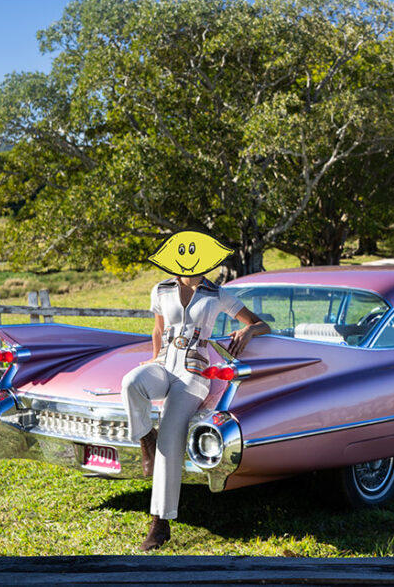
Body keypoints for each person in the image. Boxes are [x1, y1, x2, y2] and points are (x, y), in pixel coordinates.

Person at [121, 234, 269, 551]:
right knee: (131, 382)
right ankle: (146, 437)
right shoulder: (161, 290)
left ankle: (160, 523)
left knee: (171, 438)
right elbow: (158, 328)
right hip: (164, 365)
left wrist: (248, 330)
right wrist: (153, 357)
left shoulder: (217, 294)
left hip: (194, 375)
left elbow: (261, 324)